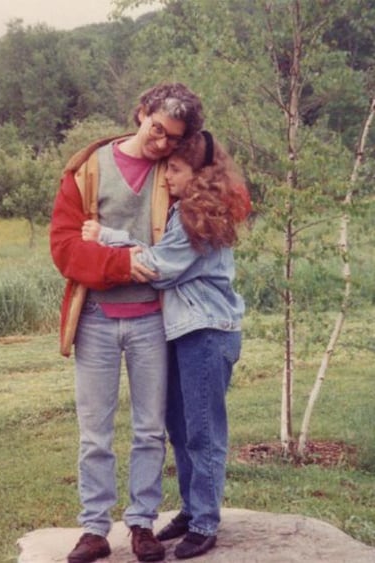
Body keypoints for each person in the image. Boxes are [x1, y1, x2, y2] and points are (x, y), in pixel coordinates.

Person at [50, 82, 204, 563]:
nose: (161, 144)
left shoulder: (177, 173)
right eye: (157, 130)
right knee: (94, 431)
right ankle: (95, 529)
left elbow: (229, 196)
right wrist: (119, 265)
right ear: (141, 113)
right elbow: (64, 247)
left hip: (153, 321)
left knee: (149, 430)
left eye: (173, 138)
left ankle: (142, 524)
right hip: (94, 318)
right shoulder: (88, 167)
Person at [82, 130, 252, 559]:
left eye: (174, 170)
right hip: (183, 332)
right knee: (179, 427)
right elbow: (160, 252)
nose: (166, 178)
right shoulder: (183, 213)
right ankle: (192, 509)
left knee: (203, 433)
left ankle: (205, 522)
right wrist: (114, 237)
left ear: (199, 176)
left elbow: (160, 267)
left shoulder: (202, 216)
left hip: (207, 334)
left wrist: (105, 239)